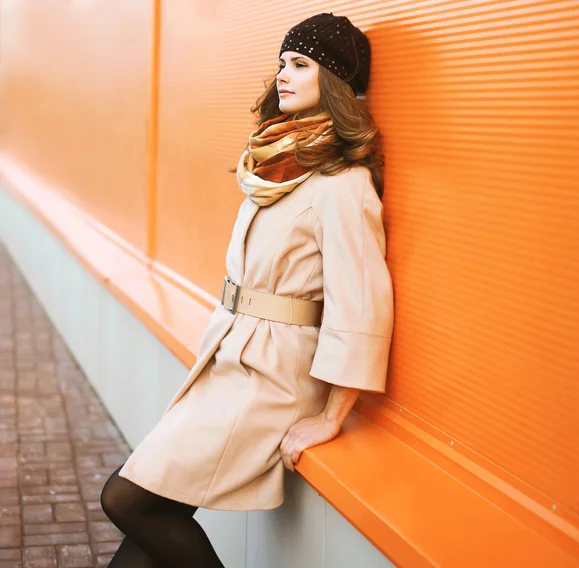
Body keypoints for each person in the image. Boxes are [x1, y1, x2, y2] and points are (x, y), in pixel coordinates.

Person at [100, 12, 394, 567]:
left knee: (128, 499)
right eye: (282, 62)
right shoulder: (274, 164)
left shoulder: (343, 184)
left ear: (332, 83)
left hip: (274, 377)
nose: (283, 74)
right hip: (228, 356)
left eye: (301, 64)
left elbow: (363, 307)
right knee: (151, 515)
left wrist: (332, 416)